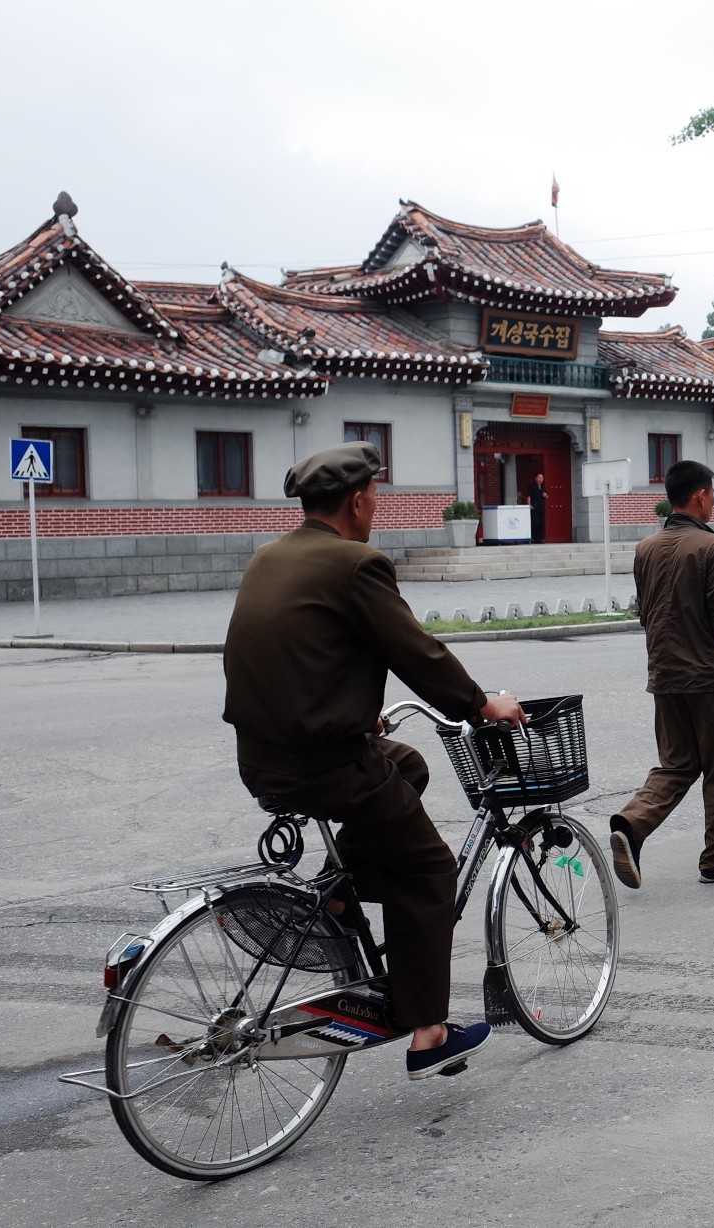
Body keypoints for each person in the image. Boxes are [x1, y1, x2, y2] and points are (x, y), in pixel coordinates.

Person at [223, 441, 527, 1080]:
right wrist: (481, 704)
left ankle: (339, 896)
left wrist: (357, 710)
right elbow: (416, 653)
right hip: (326, 763)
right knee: (428, 872)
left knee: (408, 765)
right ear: (359, 500)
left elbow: (300, 655)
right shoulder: (357, 563)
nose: (376, 506)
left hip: (264, 758)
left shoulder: (269, 558)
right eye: (375, 496)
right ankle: (428, 1031)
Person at [609, 460, 714, 889]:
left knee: (676, 763)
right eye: (712, 494)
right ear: (701, 496)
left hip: (664, 674)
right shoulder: (713, 547)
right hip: (709, 677)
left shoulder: (645, 548)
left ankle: (631, 826)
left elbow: (645, 612)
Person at [526, 471, 550, 543]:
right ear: (535, 478)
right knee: (535, 523)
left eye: (542, 478)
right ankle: (532, 538)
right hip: (534, 507)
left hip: (541, 507)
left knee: (541, 523)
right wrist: (529, 505)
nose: (540, 479)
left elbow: (547, 496)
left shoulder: (543, 486)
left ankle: (539, 539)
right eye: (539, 478)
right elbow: (528, 496)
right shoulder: (531, 486)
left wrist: (545, 495)